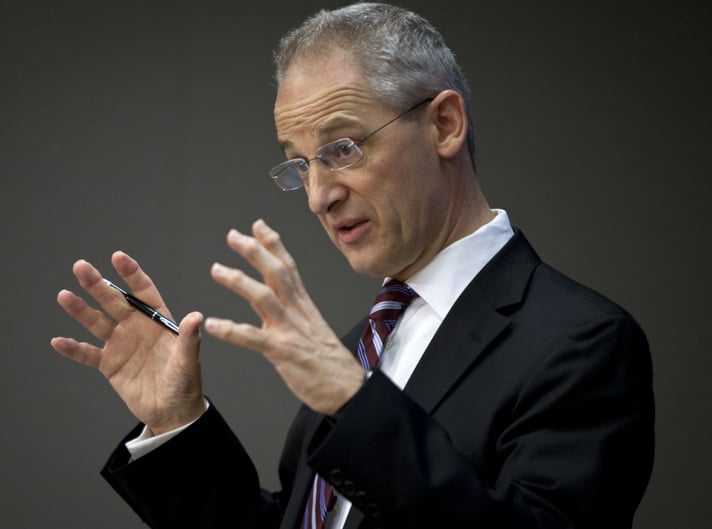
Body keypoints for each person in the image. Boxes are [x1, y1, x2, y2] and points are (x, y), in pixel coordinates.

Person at [51, 3, 654, 528]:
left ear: (444, 124)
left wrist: (353, 400)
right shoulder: (358, 347)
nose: (319, 196)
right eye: (302, 165)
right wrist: (178, 422)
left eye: (342, 149)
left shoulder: (582, 342)